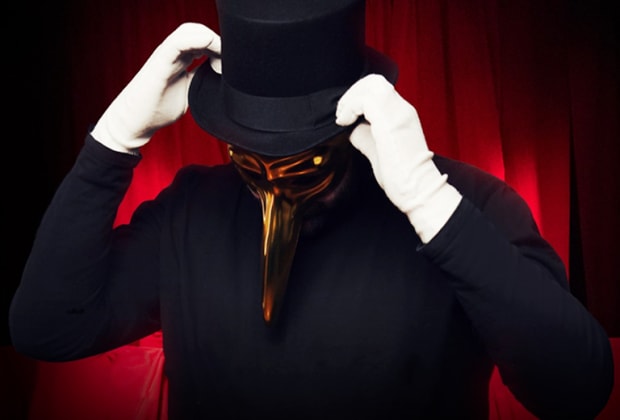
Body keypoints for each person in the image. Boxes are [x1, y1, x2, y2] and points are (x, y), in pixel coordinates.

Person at [9, 0, 613, 419]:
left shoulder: (469, 203)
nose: (275, 183)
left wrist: (430, 203)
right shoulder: (188, 211)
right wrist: (113, 141)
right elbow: (47, 326)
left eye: (301, 156)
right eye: (252, 156)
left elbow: (576, 390)